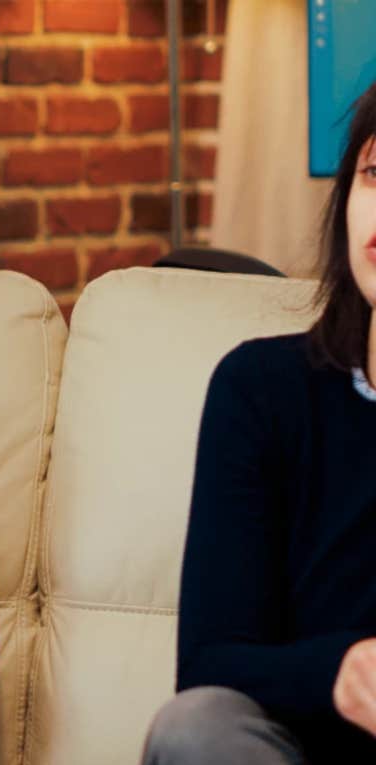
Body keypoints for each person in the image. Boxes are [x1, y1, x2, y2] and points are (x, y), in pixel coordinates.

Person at [143, 79, 376, 764]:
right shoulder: (261, 390)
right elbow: (212, 664)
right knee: (194, 726)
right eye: (375, 173)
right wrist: (342, 670)